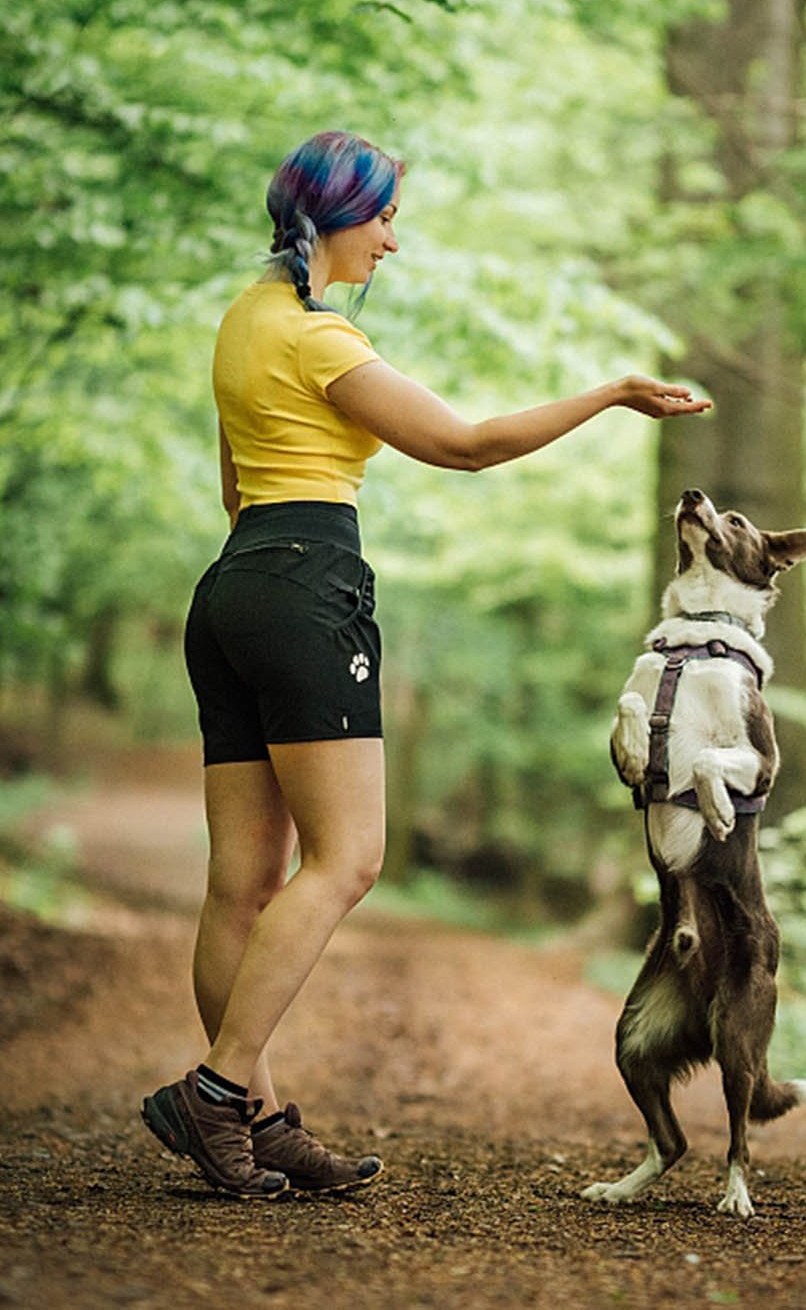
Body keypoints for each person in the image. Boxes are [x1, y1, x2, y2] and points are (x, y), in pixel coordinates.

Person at [141, 129, 712, 1199]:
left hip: (233, 584)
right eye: (385, 217)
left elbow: (233, 486)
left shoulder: (241, 324)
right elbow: (463, 443)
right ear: (332, 217)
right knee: (349, 859)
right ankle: (218, 1096)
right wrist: (607, 395)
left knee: (241, 885)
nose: (392, 242)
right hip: (309, 585)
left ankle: (253, 1118)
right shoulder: (317, 341)